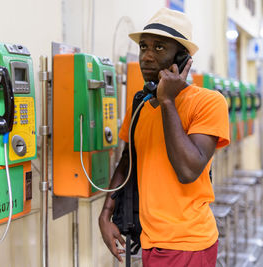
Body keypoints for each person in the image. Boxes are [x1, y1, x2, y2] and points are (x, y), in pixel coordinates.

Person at [99, 7, 230, 267]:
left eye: (159, 48)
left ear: (182, 59)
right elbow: (128, 161)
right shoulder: (140, 105)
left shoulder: (208, 102)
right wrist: (105, 214)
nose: (146, 57)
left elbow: (188, 169)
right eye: (143, 47)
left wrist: (168, 100)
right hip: (150, 241)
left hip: (188, 243)